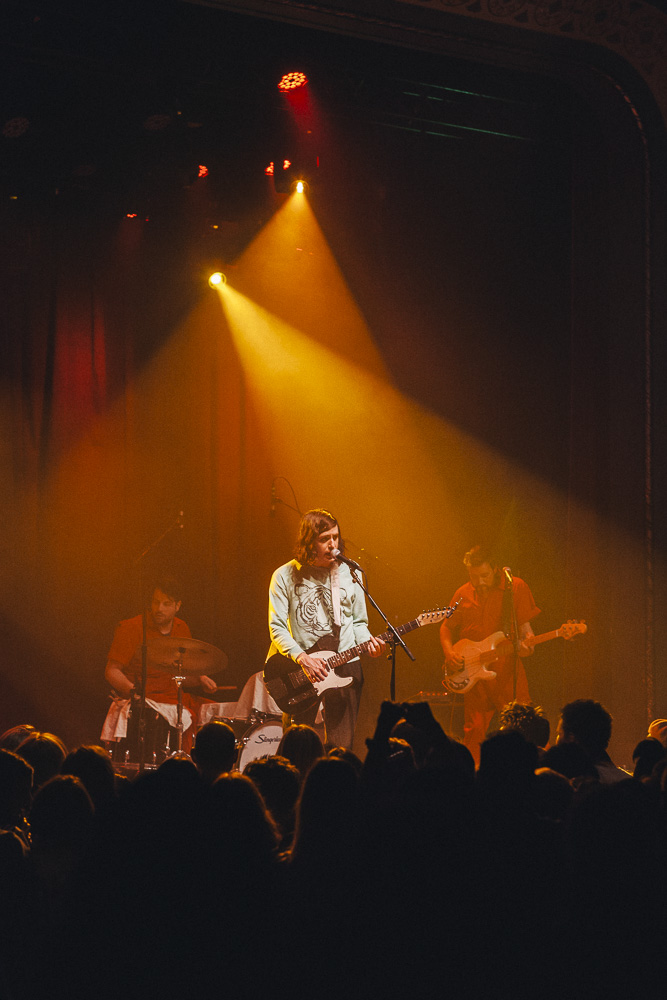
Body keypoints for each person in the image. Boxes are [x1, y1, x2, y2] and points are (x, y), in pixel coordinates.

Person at [267, 508, 385, 749]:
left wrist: (370, 642)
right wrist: (302, 658)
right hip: (302, 667)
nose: (333, 545)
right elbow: (277, 627)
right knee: (296, 746)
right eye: (324, 539)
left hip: (346, 662)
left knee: (341, 748)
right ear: (309, 542)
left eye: (336, 537)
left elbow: (359, 622)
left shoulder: (352, 572)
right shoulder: (284, 575)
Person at [440, 545, 540, 765]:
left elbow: (526, 628)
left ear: (495, 569)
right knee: (474, 731)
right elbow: (446, 627)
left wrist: (528, 645)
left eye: (484, 575)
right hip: (474, 672)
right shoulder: (462, 593)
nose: (479, 582)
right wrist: (449, 652)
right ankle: (473, 778)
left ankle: (530, 772)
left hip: (507, 668)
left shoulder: (515, 587)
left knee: (523, 723)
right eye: (473, 576)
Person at [102, 577, 217, 758]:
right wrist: (135, 693)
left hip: (173, 697)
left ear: (178, 606)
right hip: (146, 699)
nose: (159, 609)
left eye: (166, 604)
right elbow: (111, 671)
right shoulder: (131, 627)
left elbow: (180, 675)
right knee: (182, 717)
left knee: (217, 715)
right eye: (156, 602)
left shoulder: (181, 627)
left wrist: (201, 678)